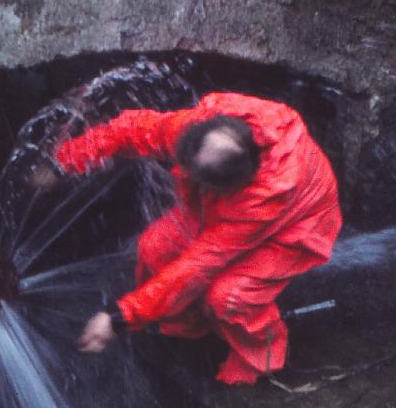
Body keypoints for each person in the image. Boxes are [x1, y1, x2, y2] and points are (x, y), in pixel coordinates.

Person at [50, 92, 342, 385]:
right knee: (154, 248)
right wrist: (62, 164)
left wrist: (119, 317)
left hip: (296, 225)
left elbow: (197, 267)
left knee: (229, 296)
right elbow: (131, 129)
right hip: (227, 208)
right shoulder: (196, 129)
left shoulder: (263, 197)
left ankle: (263, 357)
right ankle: (190, 324)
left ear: (223, 185)